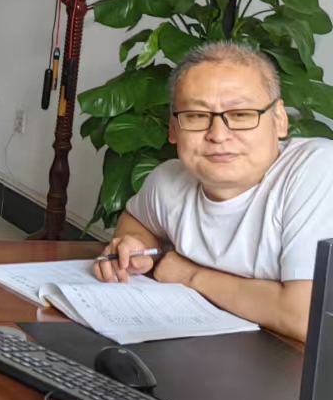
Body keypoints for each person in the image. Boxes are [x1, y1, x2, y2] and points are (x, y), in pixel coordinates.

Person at [95, 42, 333, 341]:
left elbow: (306, 318)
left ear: (279, 120)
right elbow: (138, 221)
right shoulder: (169, 180)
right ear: (173, 129)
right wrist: (138, 246)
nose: (218, 135)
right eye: (196, 116)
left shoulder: (317, 170)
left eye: (242, 114)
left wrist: (190, 275)